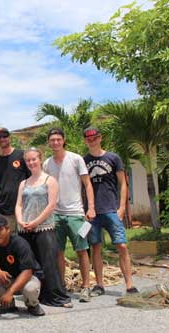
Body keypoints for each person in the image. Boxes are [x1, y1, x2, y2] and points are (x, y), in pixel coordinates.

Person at [83, 127, 138, 295]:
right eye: (89, 139)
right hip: (92, 212)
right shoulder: (83, 161)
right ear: (86, 141)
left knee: (121, 245)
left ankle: (129, 284)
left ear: (100, 138)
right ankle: (99, 284)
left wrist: (121, 207)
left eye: (95, 138)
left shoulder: (113, 158)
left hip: (111, 209)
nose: (92, 141)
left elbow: (123, 184)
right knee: (96, 247)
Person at [43, 128, 95, 302]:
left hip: (76, 214)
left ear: (63, 140)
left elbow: (87, 184)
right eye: (52, 140)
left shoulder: (76, 159)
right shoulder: (47, 164)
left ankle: (86, 286)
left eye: (58, 139)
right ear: (49, 143)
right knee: (58, 252)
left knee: (81, 250)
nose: (55, 142)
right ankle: (61, 287)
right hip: (55, 215)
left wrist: (91, 208)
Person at [15, 147, 72, 307]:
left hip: (44, 228)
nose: (31, 162)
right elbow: (19, 204)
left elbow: (51, 205)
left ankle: (57, 297)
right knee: (30, 264)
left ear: (40, 159)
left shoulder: (49, 180)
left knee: (49, 263)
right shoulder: (23, 183)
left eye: (34, 159)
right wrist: (20, 220)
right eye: (28, 160)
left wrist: (36, 222)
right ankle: (34, 295)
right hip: (24, 229)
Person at [0, 214, 45, 316]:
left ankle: (32, 304)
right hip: (10, 278)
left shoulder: (19, 243)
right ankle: (8, 305)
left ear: (7, 229)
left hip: (28, 278)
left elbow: (27, 271)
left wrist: (10, 292)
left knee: (30, 289)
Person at [0, 128, 30, 233]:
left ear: (9, 137)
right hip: (2, 212)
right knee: (5, 244)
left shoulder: (22, 156)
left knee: (25, 244)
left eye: (4, 136)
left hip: (23, 210)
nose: (2, 139)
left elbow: (33, 180)